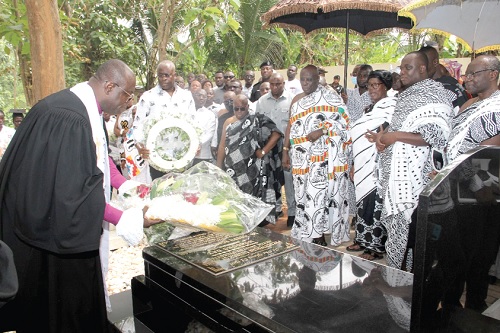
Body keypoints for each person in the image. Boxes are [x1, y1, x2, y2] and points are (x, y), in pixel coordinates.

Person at [0, 59, 161, 332]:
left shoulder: (86, 108)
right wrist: (124, 219)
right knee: (65, 308)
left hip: (44, 221)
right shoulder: (69, 117)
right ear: (110, 86)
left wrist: (124, 185)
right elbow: (76, 192)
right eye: (127, 95)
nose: (129, 102)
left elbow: (98, 157)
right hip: (48, 233)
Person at [366, 51, 453, 271]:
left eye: (408, 68)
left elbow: (434, 136)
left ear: (422, 69)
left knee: (411, 242)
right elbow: (401, 132)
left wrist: (393, 137)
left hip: (414, 186)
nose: (401, 72)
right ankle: (397, 284)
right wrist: (382, 140)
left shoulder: (435, 95)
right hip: (395, 181)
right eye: (401, 67)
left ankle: (406, 290)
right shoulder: (407, 95)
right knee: (398, 241)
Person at [445, 55, 500, 312]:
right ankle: (450, 308)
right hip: (454, 190)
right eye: (466, 74)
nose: (468, 78)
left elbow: (488, 149)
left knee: (479, 258)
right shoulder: (468, 105)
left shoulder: (497, 106)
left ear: (493, 74)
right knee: (453, 256)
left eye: (474, 73)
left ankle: (474, 312)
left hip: (485, 193)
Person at [282, 65, 351, 247]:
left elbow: (344, 121)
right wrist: (285, 150)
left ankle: (318, 233)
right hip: (299, 158)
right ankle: (307, 229)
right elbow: (290, 126)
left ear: (317, 79)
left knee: (318, 194)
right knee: (303, 195)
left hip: (322, 158)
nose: (305, 83)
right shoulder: (296, 100)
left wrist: (322, 130)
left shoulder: (330, 97)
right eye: (303, 79)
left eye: (309, 79)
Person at [347, 70, 396, 261]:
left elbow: (390, 135)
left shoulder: (392, 107)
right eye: (370, 86)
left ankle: (374, 247)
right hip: (361, 163)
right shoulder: (369, 109)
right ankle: (361, 239)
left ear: (386, 86)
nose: (372, 89)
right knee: (362, 203)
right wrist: (353, 164)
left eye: (376, 85)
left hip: (378, 165)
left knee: (374, 204)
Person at [216, 94, 283, 224]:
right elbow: (222, 145)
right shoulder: (228, 122)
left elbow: (276, 134)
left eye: (242, 108)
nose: (239, 112)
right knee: (236, 199)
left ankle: (257, 224)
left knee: (253, 198)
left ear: (247, 106)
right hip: (233, 167)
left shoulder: (257, 119)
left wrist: (263, 151)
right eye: (236, 109)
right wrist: (218, 168)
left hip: (253, 168)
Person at [133, 60, 196, 180]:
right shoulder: (148, 97)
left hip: (183, 158)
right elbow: (137, 126)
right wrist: (139, 146)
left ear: (174, 75)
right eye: (160, 75)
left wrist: (196, 144)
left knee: (181, 194)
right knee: (159, 194)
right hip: (157, 160)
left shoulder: (186, 96)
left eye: (167, 75)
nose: (163, 79)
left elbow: (193, 123)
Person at [255, 73, 296, 226]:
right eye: (272, 84)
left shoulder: (292, 100)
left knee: (289, 181)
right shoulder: (262, 101)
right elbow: (258, 124)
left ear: (283, 83)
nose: (275, 87)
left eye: (278, 84)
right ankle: (275, 210)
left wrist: (287, 148)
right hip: (270, 148)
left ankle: (292, 212)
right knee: (271, 181)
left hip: (287, 147)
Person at [420, 45, 469, 114]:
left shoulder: (444, 88)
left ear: (435, 62)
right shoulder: (452, 82)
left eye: (424, 64)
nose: (421, 68)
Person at [191, 88, 216, 165]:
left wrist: (195, 144)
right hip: (185, 155)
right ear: (193, 96)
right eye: (199, 95)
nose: (201, 98)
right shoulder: (186, 111)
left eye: (204, 96)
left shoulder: (210, 114)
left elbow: (209, 134)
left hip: (202, 155)